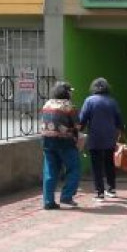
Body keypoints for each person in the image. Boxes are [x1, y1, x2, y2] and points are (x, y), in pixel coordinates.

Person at [79, 77, 124, 200]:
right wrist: (120, 131)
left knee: (96, 164)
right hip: (110, 137)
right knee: (109, 163)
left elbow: (82, 119)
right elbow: (119, 120)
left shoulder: (89, 101)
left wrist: (78, 132)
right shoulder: (112, 101)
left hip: (95, 137)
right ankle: (112, 189)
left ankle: (99, 192)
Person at [40, 81, 81, 210]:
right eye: (70, 91)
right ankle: (67, 196)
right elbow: (77, 126)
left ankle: (48, 201)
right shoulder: (68, 106)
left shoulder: (47, 104)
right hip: (65, 142)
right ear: (66, 92)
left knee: (50, 171)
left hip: (47, 141)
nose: (71, 94)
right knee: (74, 168)